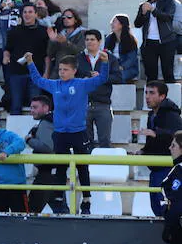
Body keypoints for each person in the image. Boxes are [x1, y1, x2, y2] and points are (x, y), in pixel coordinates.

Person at [25, 52, 109, 215]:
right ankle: (58, 197)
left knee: (82, 167)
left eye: (65, 69)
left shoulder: (81, 84)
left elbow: (102, 79)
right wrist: (30, 63)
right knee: (61, 166)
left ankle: (86, 199)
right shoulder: (55, 84)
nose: (62, 72)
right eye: (60, 69)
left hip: (78, 132)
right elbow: (38, 80)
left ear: (74, 70)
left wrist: (104, 62)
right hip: (60, 133)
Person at [140, 81, 182, 215]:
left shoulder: (172, 115)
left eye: (152, 93)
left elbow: (178, 135)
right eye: (146, 92)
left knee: (165, 209)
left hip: (167, 168)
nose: (147, 96)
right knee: (157, 208)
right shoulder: (151, 115)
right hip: (155, 168)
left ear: (162, 96)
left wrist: (157, 133)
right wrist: (143, 151)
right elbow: (152, 141)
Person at [77, 30, 122, 149]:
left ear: (99, 41)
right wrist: (84, 78)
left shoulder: (110, 58)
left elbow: (118, 77)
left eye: (92, 39)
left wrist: (102, 77)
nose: (89, 42)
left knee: (105, 140)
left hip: (103, 104)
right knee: (85, 141)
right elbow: (72, 77)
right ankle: (86, 167)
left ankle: (105, 167)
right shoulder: (78, 58)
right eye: (87, 39)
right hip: (83, 104)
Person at [26, 95, 70, 214]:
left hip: (47, 175)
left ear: (46, 108)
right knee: (61, 211)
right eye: (31, 108)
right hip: (55, 173)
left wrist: (29, 140)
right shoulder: (53, 120)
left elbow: (47, 147)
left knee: (30, 212)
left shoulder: (46, 122)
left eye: (35, 107)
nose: (32, 110)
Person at [4, 4, 49, 114]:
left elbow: (47, 56)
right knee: (15, 105)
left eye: (30, 12)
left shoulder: (43, 31)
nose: (27, 14)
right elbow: (7, 49)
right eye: (25, 12)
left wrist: (46, 73)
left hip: (36, 74)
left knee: (36, 106)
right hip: (17, 73)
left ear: (36, 14)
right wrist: (6, 57)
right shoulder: (14, 31)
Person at [135, 0, 176, 83]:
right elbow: (137, 24)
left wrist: (153, 10)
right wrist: (143, 13)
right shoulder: (143, 5)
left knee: (168, 74)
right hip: (148, 43)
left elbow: (167, 17)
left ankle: (169, 98)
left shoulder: (169, 1)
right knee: (151, 75)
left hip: (166, 42)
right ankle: (151, 98)